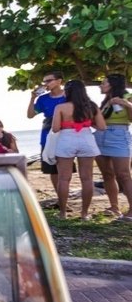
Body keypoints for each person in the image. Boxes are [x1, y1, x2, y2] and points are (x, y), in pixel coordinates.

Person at [51, 80, 106, 220]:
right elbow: (102, 127)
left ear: (68, 92)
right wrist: (86, 122)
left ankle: (62, 213)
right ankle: (84, 214)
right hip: (86, 138)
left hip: (66, 139)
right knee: (87, 178)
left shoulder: (61, 107)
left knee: (64, 178)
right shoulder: (91, 106)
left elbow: (55, 128)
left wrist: (68, 123)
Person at [94, 73, 132, 221]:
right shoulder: (105, 100)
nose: (100, 85)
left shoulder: (126, 96)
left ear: (112, 85)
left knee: (123, 174)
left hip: (118, 135)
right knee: (107, 174)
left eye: (103, 83)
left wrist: (126, 104)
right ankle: (114, 207)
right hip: (100, 134)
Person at [28, 71, 67, 196]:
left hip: (66, 134)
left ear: (59, 81)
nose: (46, 84)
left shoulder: (69, 96)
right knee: (53, 170)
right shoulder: (42, 99)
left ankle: (65, 195)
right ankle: (60, 198)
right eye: (44, 81)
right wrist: (32, 98)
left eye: (49, 80)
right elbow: (30, 115)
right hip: (48, 135)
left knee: (65, 170)